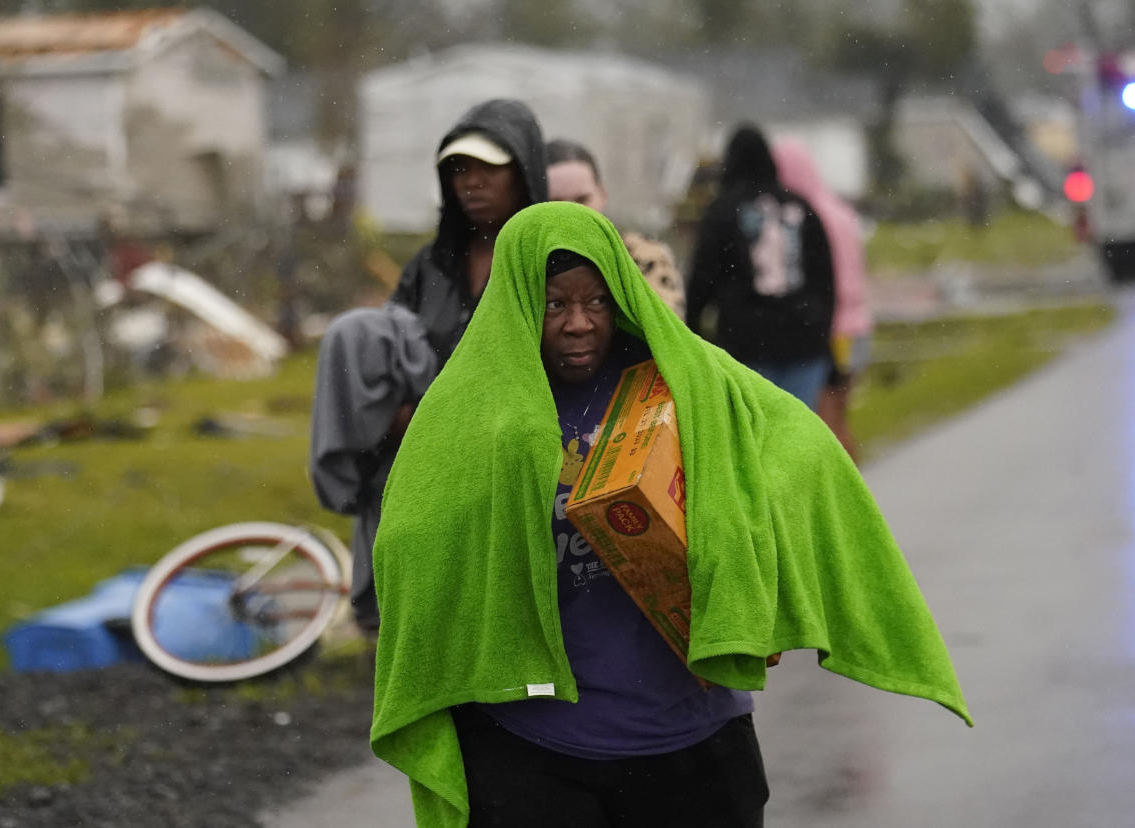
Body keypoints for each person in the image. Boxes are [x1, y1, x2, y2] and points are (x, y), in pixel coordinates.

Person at [369, 201, 970, 828]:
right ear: (517, 299)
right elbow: (412, 541)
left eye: (597, 301)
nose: (578, 324)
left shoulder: (688, 383)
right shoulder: (468, 415)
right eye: (554, 304)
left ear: (622, 294)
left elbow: (804, 455)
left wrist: (758, 584)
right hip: (533, 749)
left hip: (693, 743)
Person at [309, 98, 547, 631]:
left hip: (501, 462)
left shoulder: (546, 261)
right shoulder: (430, 267)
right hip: (417, 458)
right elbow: (391, 349)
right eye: (460, 169)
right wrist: (398, 415)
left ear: (524, 172)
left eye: (490, 167)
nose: (472, 182)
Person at [686, 124, 835, 409]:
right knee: (797, 436)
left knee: (755, 438)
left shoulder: (723, 211)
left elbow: (702, 279)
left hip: (747, 343)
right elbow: (824, 280)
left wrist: (692, 332)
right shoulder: (801, 207)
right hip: (804, 340)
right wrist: (823, 333)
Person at [772, 138, 873, 461]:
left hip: (832, 328)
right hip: (858, 327)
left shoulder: (807, 217)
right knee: (840, 415)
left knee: (825, 422)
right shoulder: (840, 210)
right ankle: (854, 487)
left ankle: (843, 497)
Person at [545, 138, 687, 317]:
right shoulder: (525, 265)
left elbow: (666, 328)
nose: (573, 213)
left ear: (602, 195)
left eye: (582, 200)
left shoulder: (644, 256)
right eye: (556, 203)